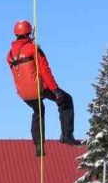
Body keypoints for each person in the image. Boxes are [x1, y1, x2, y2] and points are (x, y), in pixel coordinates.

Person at [6, 20, 82, 155]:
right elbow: (44, 70)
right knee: (66, 100)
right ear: (29, 33)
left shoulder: (10, 54)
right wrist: (55, 90)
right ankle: (67, 136)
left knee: (38, 111)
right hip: (39, 88)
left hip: (24, 93)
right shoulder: (33, 49)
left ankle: (39, 146)